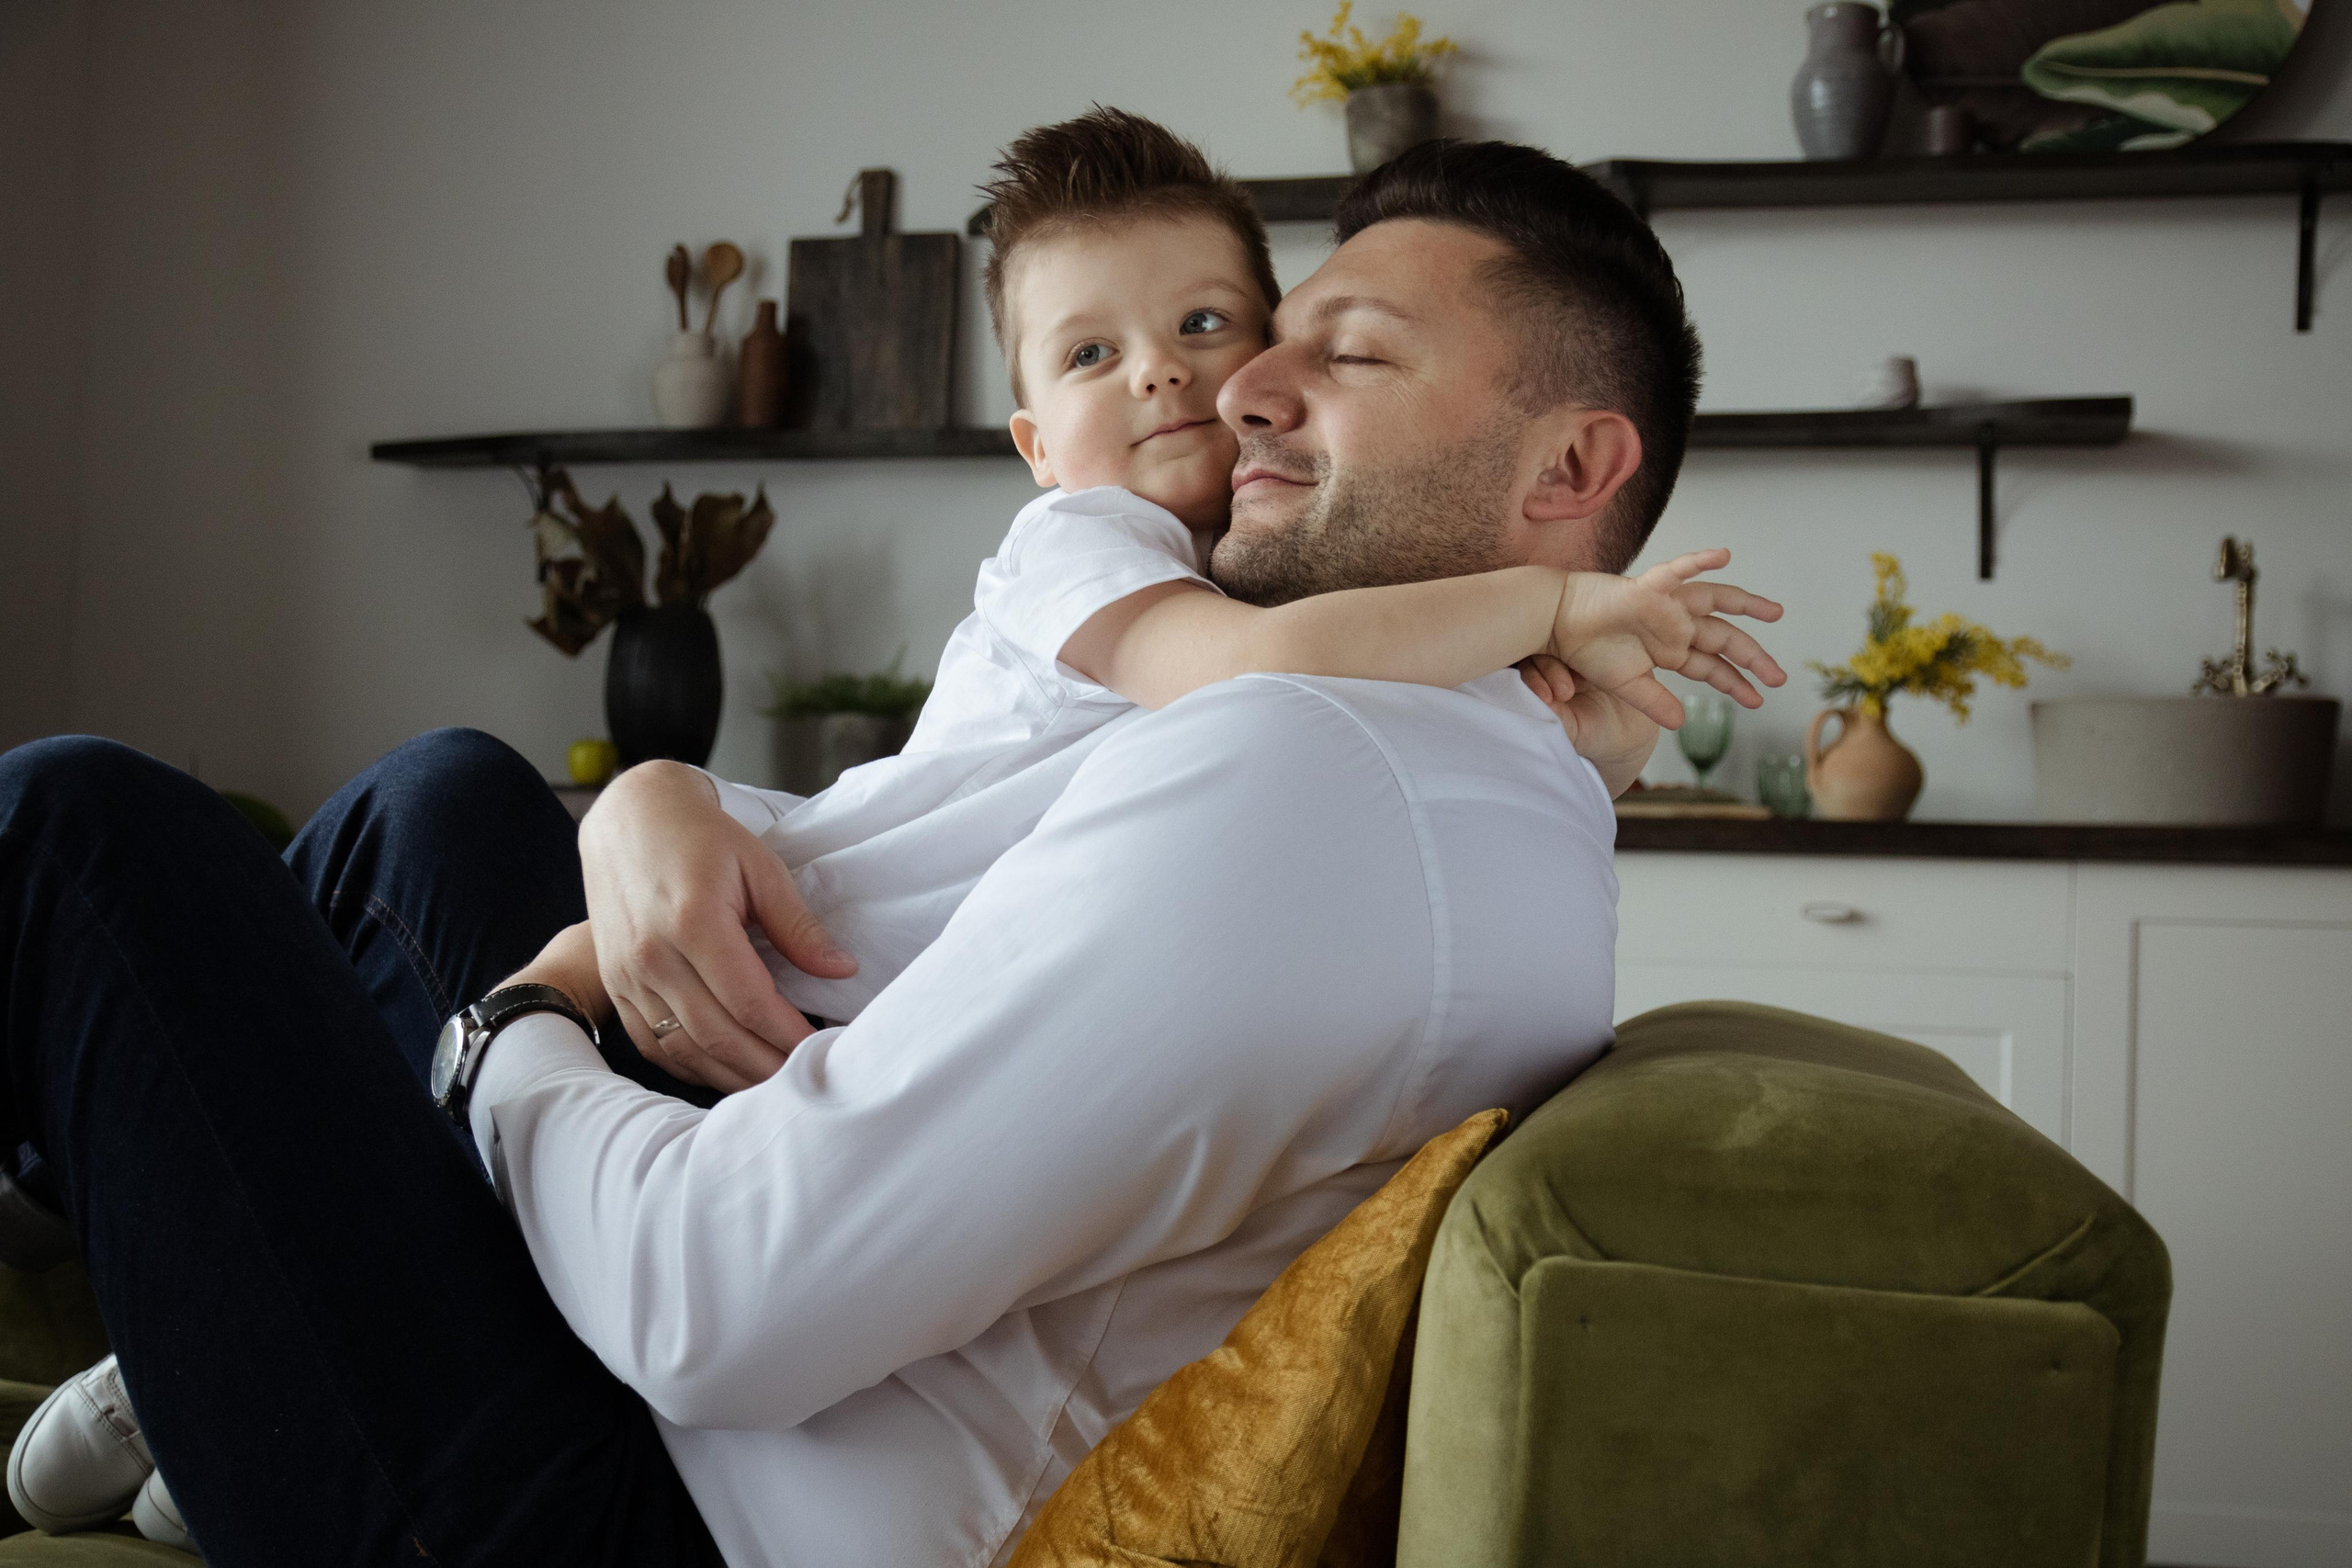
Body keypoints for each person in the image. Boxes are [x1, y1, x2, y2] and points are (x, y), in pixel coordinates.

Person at [0, 133, 1739, 1566]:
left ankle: (178, 1300)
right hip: (695, 1384)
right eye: (1273, 335)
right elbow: (916, 849)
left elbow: (717, 1304)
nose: (1246, 391)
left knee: (77, 834)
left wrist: (505, 1028)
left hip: (640, 1509)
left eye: (1345, 354)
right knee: (443, 800)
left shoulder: (1320, 761)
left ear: (1573, 466)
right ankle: (186, 1320)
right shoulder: (1480, 768)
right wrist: (655, 802)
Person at [712, 110, 1781, 1025]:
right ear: (1036, 450)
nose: (1177, 375)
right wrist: (1550, 607)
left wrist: (1596, 753)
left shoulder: (1327, 651)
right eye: (1090, 354)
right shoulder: (1083, 543)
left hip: (843, 997)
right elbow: (1261, 663)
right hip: (788, 970)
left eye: (1206, 324)